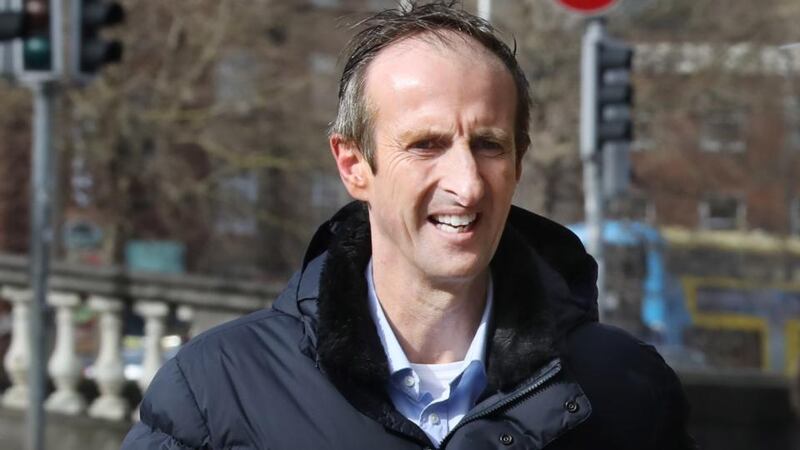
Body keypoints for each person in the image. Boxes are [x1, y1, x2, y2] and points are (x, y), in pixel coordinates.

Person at [121, 2, 695, 449]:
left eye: (489, 145)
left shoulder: (625, 389)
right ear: (353, 165)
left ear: (519, 162)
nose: (466, 183)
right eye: (426, 145)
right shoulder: (219, 392)